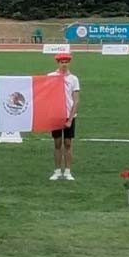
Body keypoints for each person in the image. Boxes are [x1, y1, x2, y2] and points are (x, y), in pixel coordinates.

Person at [48, 53, 80, 181]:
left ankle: (67, 171)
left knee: (68, 143)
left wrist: (70, 119)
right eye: (62, 62)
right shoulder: (51, 77)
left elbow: (76, 100)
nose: (64, 64)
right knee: (57, 143)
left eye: (66, 62)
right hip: (56, 114)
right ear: (58, 63)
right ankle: (57, 171)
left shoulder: (73, 79)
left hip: (69, 115)